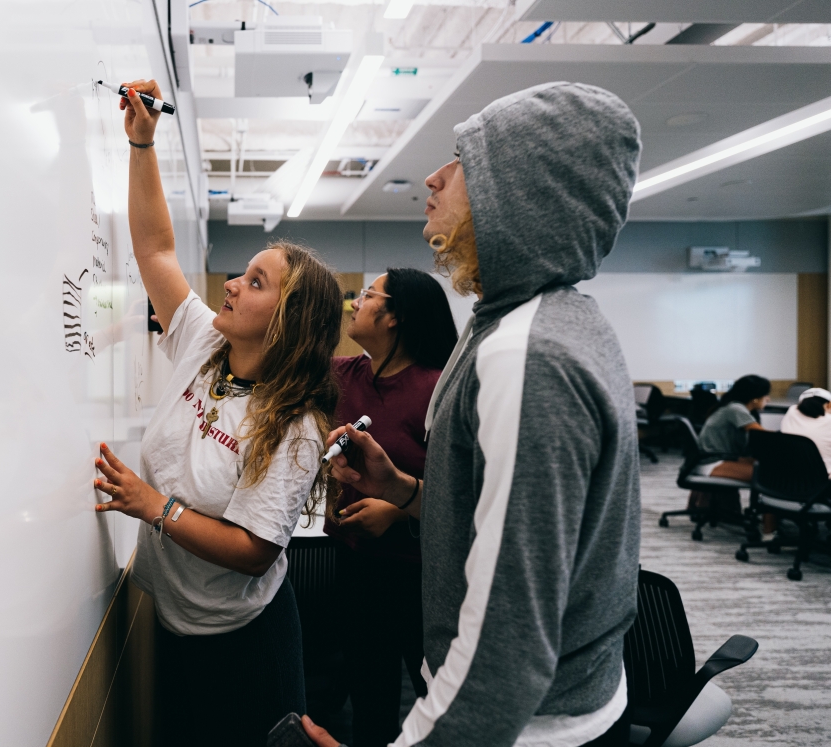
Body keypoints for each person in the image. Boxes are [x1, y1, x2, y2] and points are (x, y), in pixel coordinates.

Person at [304, 82, 643, 747]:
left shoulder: (528, 351)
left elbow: (509, 641)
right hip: (560, 705)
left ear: (520, 193)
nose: (434, 176)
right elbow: (521, 525)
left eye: (464, 162)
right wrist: (403, 491)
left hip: (524, 726)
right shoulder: (532, 323)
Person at [91, 79, 342, 747]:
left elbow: (255, 551)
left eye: (255, 281)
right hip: (173, 617)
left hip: (244, 645)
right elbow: (154, 253)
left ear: (286, 323)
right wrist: (143, 143)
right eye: (243, 272)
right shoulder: (208, 342)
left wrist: (155, 507)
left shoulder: (295, 425)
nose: (231, 283)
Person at [324, 269, 458, 747]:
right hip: (356, 565)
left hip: (420, 575)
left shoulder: (438, 389)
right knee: (370, 698)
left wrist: (397, 510)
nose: (353, 303)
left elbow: (463, 489)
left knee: (436, 693)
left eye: (366, 295)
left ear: (395, 316)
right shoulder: (343, 374)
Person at [693, 375, 771, 480]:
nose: (768, 399)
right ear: (755, 398)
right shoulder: (736, 409)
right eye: (766, 395)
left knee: (767, 468)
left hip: (715, 458)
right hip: (711, 462)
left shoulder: (731, 406)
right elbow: (764, 436)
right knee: (770, 475)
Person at [780, 387, 831, 473]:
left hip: (789, 476)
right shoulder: (828, 421)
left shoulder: (791, 412)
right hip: (823, 478)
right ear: (829, 404)